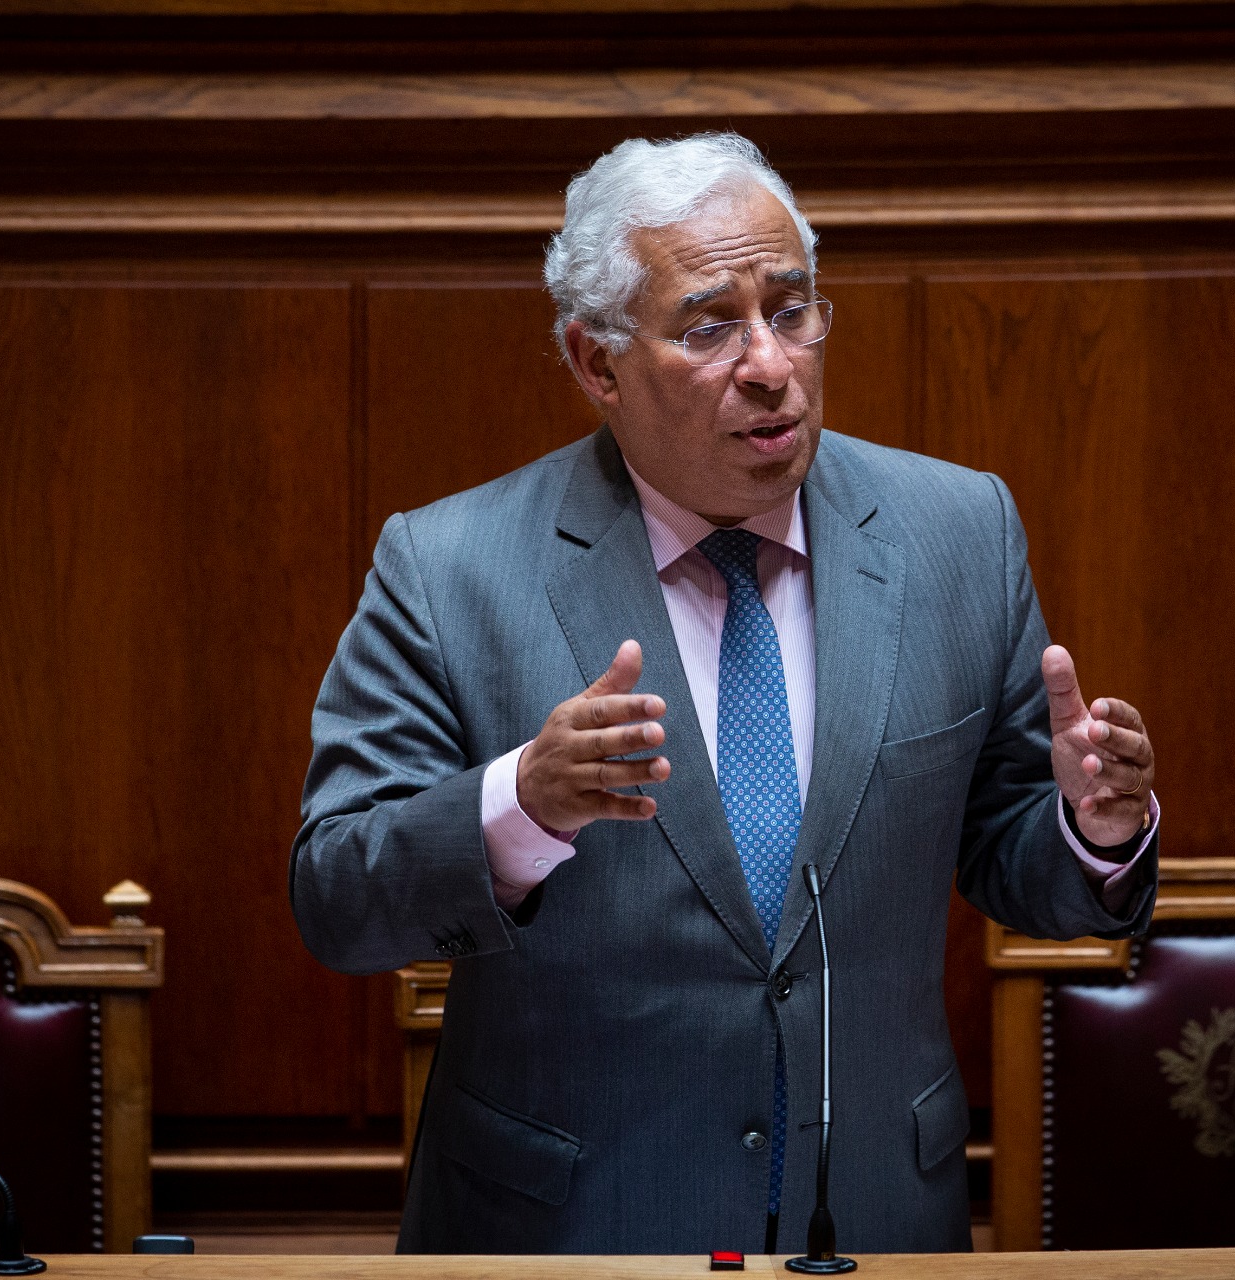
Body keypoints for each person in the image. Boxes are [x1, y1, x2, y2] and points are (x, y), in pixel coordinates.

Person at [289, 132, 1160, 1256]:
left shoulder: (960, 533)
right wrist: (522, 803)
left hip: (875, 1217)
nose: (770, 363)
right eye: (709, 326)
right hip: (573, 1227)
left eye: (792, 309)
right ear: (595, 362)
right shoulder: (449, 567)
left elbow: (1009, 848)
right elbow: (337, 897)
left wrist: (1096, 832)